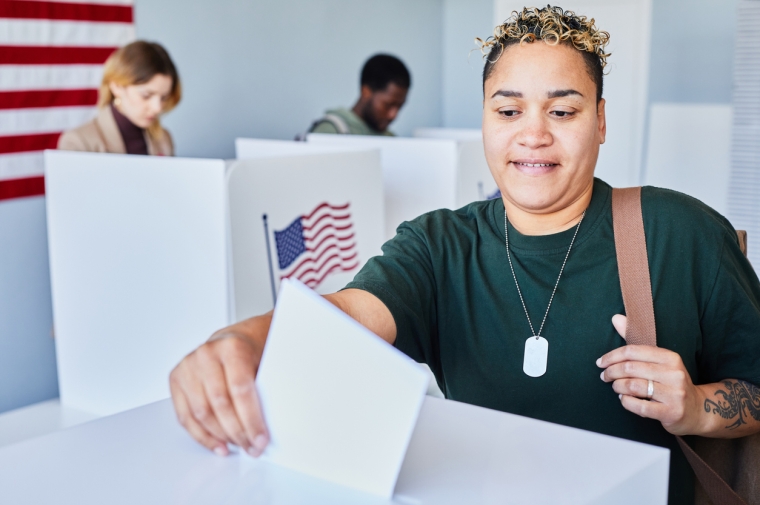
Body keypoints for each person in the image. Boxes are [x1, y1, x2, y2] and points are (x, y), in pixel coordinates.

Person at [169, 7, 760, 505]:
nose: (533, 134)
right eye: (508, 111)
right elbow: (348, 314)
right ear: (483, 120)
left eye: (562, 110)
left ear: (600, 121)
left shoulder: (680, 232)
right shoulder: (438, 247)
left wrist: (699, 408)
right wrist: (243, 342)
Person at [58, 40, 181, 156]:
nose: (157, 108)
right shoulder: (78, 143)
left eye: (164, 97)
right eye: (146, 96)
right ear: (116, 87)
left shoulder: (164, 140)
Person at [306, 54, 410, 136]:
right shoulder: (331, 130)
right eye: (388, 105)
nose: (394, 115)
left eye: (400, 107)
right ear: (366, 91)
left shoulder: (391, 139)